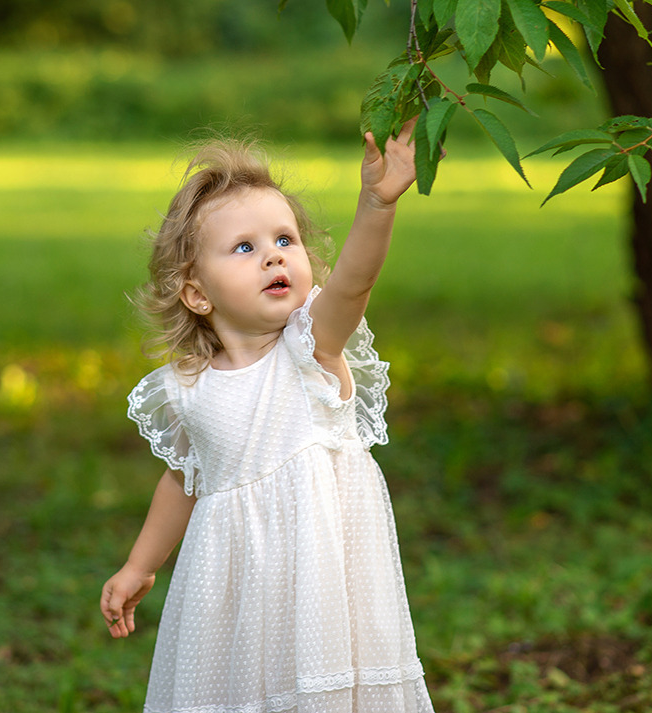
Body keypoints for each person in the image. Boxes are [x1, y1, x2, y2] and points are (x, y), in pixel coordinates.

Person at [99, 123, 433, 713]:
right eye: (245, 248)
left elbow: (353, 285)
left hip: (322, 585)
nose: (274, 255)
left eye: (285, 239)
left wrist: (378, 204)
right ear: (197, 293)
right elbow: (184, 479)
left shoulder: (311, 350)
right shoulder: (188, 388)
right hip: (232, 593)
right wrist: (139, 565)